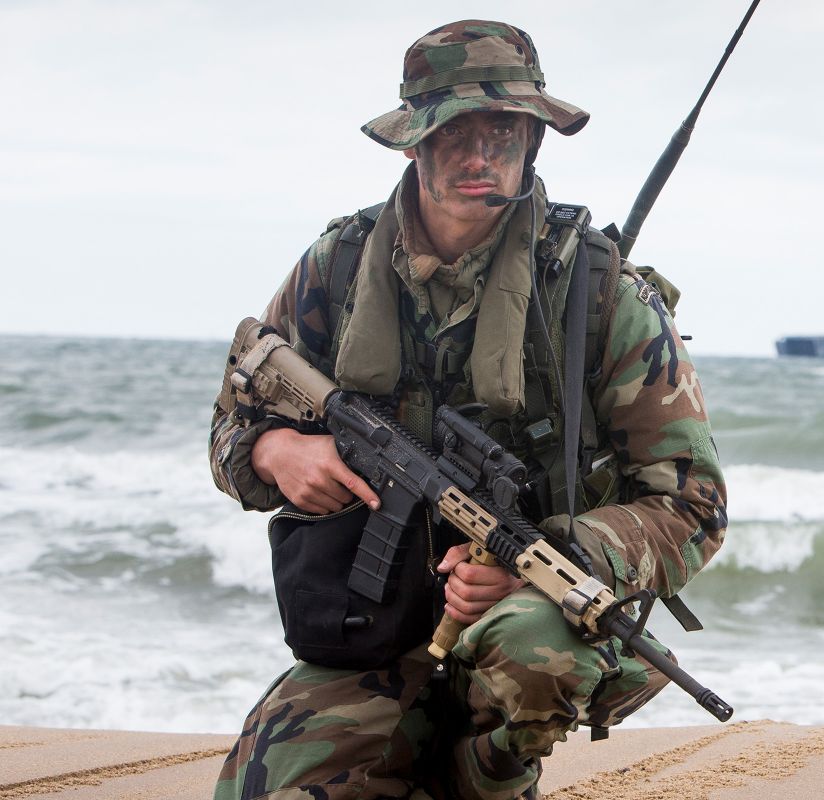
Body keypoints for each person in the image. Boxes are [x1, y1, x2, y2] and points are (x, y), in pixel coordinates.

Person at [207, 20, 728, 800]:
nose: (481, 156)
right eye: (455, 133)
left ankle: (492, 772)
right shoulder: (338, 268)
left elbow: (693, 503)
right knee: (267, 790)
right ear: (414, 143)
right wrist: (273, 453)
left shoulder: (600, 295)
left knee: (533, 651)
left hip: (524, 621)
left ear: (533, 141)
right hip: (371, 627)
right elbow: (230, 423)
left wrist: (550, 560)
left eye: (505, 132)